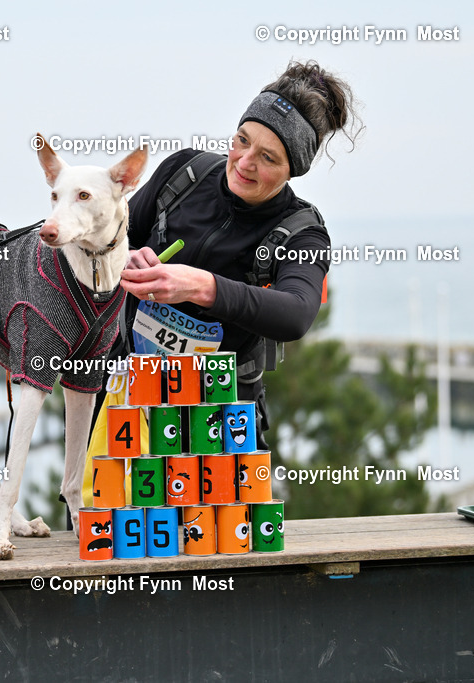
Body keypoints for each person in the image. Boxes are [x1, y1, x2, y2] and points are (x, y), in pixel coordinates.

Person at [113, 60, 361, 448]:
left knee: (209, 512)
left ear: (292, 170)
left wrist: (202, 286)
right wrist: (124, 257)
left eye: (268, 157)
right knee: (98, 508)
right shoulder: (183, 173)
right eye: (242, 141)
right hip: (126, 399)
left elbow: (296, 313)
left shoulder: (302, 232)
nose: (244, 163)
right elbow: (111, 236)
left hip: (221, 417)